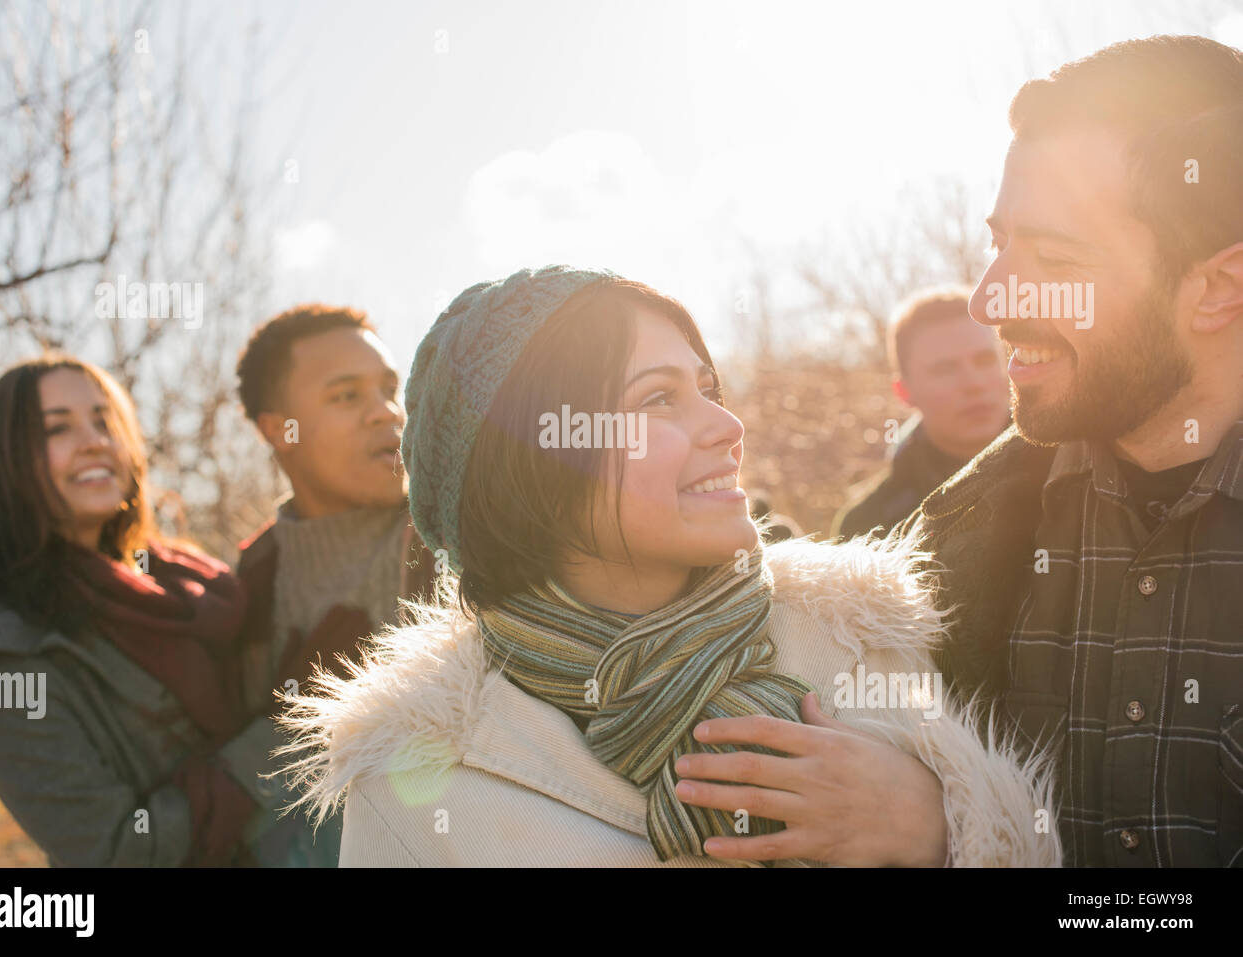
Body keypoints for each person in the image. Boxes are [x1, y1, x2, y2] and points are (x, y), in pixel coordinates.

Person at [276, 265, 1061, 867]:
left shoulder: (859, 640)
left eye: (709, 388)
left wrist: (937, 826)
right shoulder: (418, 783)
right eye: (659, 400)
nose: (726, 425)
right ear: (536, 462)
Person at [685, 35, 1243, 868]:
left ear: (1217, 290)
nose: (991, 298)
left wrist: (960, 830)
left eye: (1055, 259)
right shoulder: (950, 545)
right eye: (1000, 242)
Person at [0, 356, 289, 866]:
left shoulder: (183, 577)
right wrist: (289, 726)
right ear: (9, 459)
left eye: (104, 421)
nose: (94, 440)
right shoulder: (5, 654)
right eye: (57, 428)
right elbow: (114, 853)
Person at [232, 303, 435, 865]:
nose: (386, 413)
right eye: (347, 395)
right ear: (279, 430)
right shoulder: (247, 582)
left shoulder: (453, 538)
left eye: (389, 389)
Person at [832, 288, 1010, 539]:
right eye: (945, 369)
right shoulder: (867, 526)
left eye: (985, 360)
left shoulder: (1074, 474)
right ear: (904, 392)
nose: (974, 383)